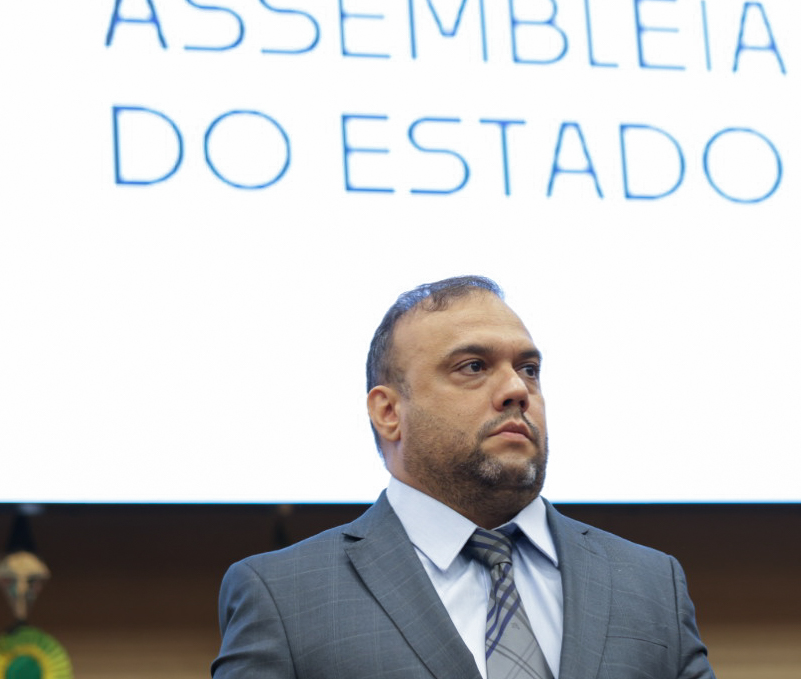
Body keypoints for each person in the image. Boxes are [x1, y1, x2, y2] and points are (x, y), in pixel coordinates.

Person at [212, 276, 714, 679]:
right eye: (473, 366)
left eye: (529, 369)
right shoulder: (284, 596)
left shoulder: (651, 583)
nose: (517, 389)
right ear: (388, 412)